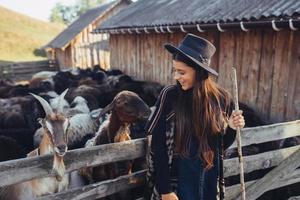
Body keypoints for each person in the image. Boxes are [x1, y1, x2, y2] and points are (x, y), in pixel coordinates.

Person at [145, 33, 245, 200]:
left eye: (182, 72)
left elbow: (220, 146)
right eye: (174, 71)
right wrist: (165, 190)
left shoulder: (222, 99)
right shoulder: (170, 95)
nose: (176, 77)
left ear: (199, 72)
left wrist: (232, 128)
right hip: (177, 183)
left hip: (207, 180)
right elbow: (158, 145)